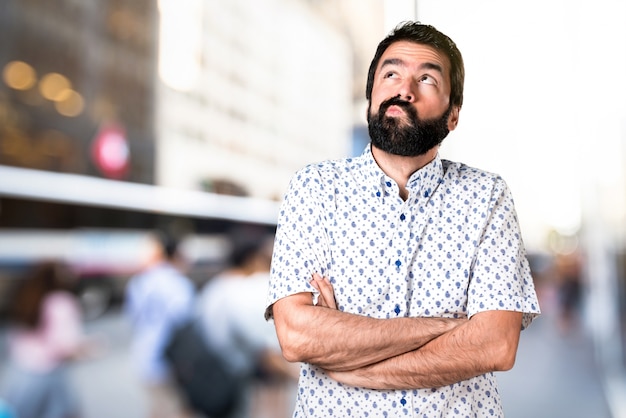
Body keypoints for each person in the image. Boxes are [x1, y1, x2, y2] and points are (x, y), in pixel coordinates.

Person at [265, 21, 541, 417]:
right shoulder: (314, 189)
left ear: (453, 115)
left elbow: (495, 345)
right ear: (369, 98)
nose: (403, 89)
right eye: (391, 73)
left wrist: (350, 358)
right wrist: (448, 327)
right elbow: (295, 337)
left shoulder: (487, 197)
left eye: (426, 78)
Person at [197, 228, 299, 418]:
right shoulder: (243, 291)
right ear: (253, 258)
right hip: (233, 376)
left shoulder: (215, 287)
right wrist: (298, 378)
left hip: (211, 370)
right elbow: (265, 351)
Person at [0, 261, 98, 418]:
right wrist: (91, 348)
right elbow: (66, 346)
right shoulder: (61, 301)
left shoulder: (26, 296)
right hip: (48, 375)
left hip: (20, 372)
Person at [124, 232, 196, 418]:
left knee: (158, 408)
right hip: (171, 361)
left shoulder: (138, 282)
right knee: (179, 409)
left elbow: (133, 318)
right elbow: (185, 324)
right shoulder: (178, 283)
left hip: (144, 355)